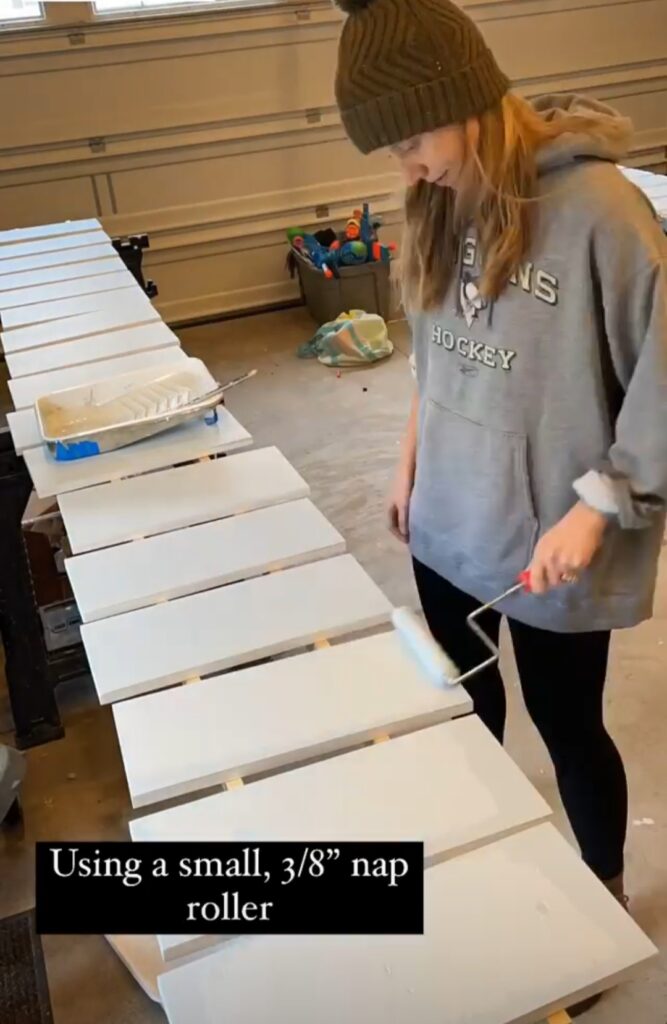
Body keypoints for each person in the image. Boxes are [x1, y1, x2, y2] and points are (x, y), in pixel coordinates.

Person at [332, 0, 667, 1014]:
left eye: (416, 139)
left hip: (553, 542)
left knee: (567, 726)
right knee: (466, 715)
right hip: (445, 520)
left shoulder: (602, 211)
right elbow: (434, 355)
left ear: (471, 104)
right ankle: (487, 887)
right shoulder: (438, 203)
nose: (409, 168)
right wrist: (408, 458)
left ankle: (599, 895)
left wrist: (602, 502)